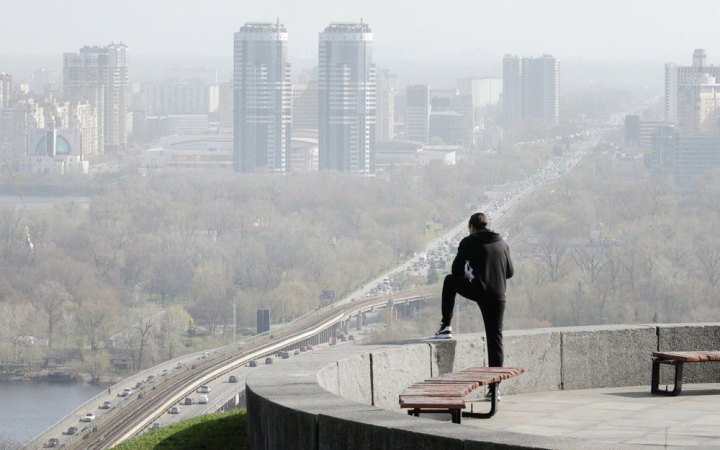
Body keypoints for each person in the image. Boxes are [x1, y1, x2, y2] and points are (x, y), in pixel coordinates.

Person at [434, 212, 514, 369]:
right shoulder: (502, 243)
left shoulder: (469, 241)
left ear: (471, 227)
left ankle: (445, 327)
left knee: (449, 281)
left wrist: (470, 276)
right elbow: (510, 273)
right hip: (498, 295)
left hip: (478, 289)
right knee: (495, 339)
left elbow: (456, 271)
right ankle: (495, 389)